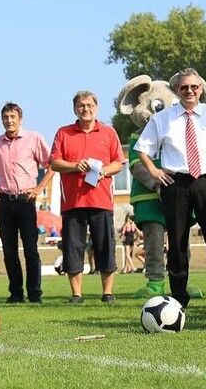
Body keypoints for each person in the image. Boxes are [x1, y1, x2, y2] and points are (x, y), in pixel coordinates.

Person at [135, 68, 206, 307]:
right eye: (184, 87)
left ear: (201, 88)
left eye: (194, 87)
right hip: (176, 183)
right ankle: (178, 296)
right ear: (176, 90)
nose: (189, 91)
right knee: (177, 241)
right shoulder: (162, 118)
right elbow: (142, 148)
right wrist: (155, 171)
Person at [50, 90, 126, 304]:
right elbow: (54, 163)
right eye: (81, 105)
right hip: (73, 203)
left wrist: (104, 172)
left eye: (90, 105)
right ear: (75, 109)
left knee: (105, 247)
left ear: (96, 107)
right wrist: (75, 166)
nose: (86, 109)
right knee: (73, 249)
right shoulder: (63, 133)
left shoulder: (109, 133)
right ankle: (76, 294)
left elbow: (118, 163)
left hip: (101, 201)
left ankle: (107, 293)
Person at [0, 103, 53, 303]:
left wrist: (39, 188)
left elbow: (50, 166)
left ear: (20, 119)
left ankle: (34, 294)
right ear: (2, 120)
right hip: (4, 202)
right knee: (9, 251)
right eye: (6, 117)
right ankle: (15, 294)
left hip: (26, 200)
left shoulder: (34, 138)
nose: (9, 120)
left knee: (31, 250)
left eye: (13, 116)